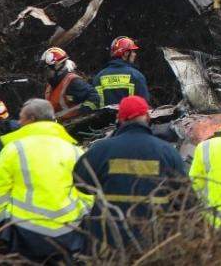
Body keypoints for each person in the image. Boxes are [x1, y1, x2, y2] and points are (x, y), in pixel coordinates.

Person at [73, 96, 186, 247]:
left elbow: (80, 183)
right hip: (153, 240)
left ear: (119, 119)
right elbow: (184, 199)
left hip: (109, 238)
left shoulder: (101, 149)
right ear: (147, 117)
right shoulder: (167, 152)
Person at [0, 99, 91, 262]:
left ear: (31, 119)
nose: (18, 122)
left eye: (21, 118)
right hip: (67, 232)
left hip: (24, 233)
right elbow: (88, 194)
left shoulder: (13, 149)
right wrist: (80, 222)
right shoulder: (74, 150)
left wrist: (4, 225)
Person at [41, 47, 100, 121]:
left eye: (47, 68)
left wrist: (81, 115)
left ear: (57, 66)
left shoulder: (73, 81)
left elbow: (94, 98)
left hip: (74, 127)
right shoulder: (51, 85)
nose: (46, 72)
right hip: (59, 126)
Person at [92, 37, 150, 106]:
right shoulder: (136, 76)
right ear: (125, 53)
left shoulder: (98, 77)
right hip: (129, 116)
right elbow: (144, 104)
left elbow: (94, 103)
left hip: (104, 116)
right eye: (133, 51)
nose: (135, 54)